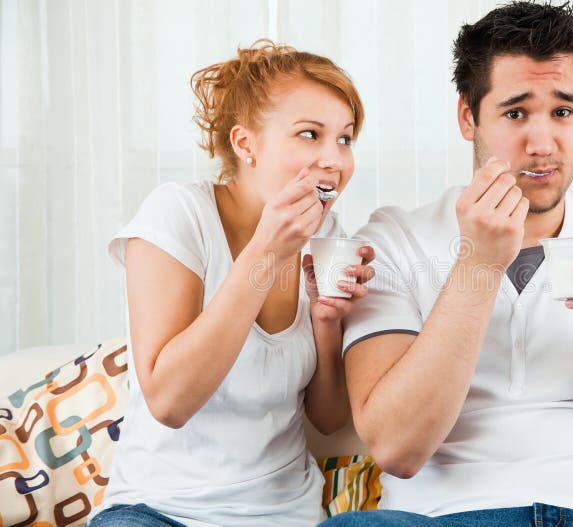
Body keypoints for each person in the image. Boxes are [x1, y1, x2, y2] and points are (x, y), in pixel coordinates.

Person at [322, 2, 573, 527]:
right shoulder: (394, 241)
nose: (542, 144)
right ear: (468, 116)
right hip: (448, 516)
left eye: (563, 112)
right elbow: (396, 449)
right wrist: (478, 267)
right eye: (515, 113)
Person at [88, 40, 373, 527]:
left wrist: (327, 325)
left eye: (344, 139)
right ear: (246, 145)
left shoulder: (325, 235)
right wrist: (267, 251)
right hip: (157, 512)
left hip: (286, 514)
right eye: (310, 134)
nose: (334, 160)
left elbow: (327, 418)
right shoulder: (178, 213)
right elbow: (170, 401)